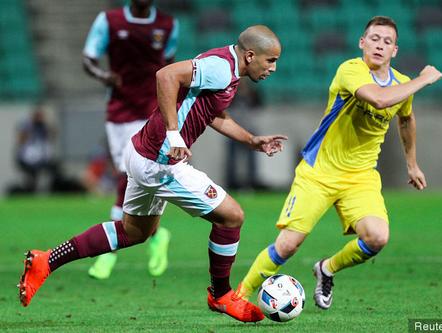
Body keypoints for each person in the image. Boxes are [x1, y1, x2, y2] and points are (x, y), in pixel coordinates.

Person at [19, 25, 286, 323]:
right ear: (250, 55)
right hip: (160, 163)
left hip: (140, 153)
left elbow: (214, 114)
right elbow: (165, 75)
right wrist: (174, 134)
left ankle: (47, 260)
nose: (273, 68)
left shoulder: (225, 67)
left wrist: (251, 140)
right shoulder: (220, 68)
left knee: (134, 232)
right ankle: (221, 295)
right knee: (232, 216)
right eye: (270, 60)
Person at [237, 16, 442, 310]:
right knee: (287, 245)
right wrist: (424, 79)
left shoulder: (402, 85)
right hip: (319, 171)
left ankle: (327, 269)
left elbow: (406, 118)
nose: (379, 45)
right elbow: (380, 100)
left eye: (387, 41)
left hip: (360, 176)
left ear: (395, 51)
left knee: (377, 237)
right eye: (374, 38)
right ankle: (239, 295)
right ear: (362, 42)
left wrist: (412, 164)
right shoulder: (350, 70)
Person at [82, 0, 179, 279]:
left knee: (127, 177)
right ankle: (157, 235)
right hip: (119, 112)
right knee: (130, 178)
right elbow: (88, 58)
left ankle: (108, 253)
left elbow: (169, 67)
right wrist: (103, 75)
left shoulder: (168, 25)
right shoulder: (108, 21)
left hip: (151, 110)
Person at [14, 107, 58, 193]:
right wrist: (29, 130)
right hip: (28, 158)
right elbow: (20, 141)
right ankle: (30, 192)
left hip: (42, 157)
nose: (39, 118)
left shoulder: (44, 127)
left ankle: (51, 190)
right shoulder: (27, 126)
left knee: (54, 170)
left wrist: (47, 124)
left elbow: (53, 136)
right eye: (37, 116)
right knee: (32, 177)